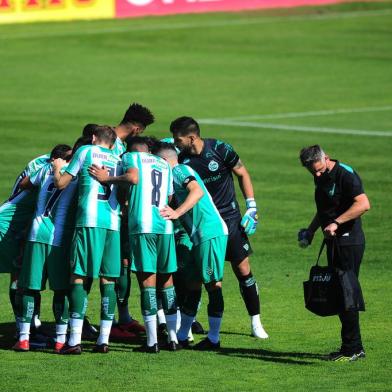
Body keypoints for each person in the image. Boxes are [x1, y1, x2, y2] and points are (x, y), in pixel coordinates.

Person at [170, 117, 268, 339]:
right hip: (204, 225)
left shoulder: (221, 149)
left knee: (243, 271)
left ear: (191, 137)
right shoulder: (181, 160)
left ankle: (256, 322)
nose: (176, 143)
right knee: (197, 277)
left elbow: (242, 173)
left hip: (230, 220)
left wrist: (251, 206)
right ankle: (190, 326)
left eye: (179, 139)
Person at [89, 136, 177, 353]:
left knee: (147, 282)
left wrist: (107, 178)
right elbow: (169, 195)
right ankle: (175, 339)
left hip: (143, 226)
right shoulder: (164, 164)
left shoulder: (130, 157)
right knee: (167, 282)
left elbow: (133, 178)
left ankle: (152, 342)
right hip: (165, 226)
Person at [53, 126, 122, 354]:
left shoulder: (85, 152)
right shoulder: (118, 158)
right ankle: (103, 340)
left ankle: (74, 341)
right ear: (112, 144)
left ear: (93, 138)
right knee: (108, 280)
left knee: (79, 276)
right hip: (113, 224)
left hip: (89, 221)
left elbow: (61, 184)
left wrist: (58, 169)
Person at [298, 145, 370, 362]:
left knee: (345, 294)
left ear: (326, 158)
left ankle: (354, 348)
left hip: (349, 243)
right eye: (313, 172)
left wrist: (337, 222)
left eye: (319, 169)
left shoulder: (345, 175)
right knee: (339, 293)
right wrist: (311, 231)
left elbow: (364, 204)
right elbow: (324, 210)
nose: (317, 175)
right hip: (334, 242)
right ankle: (349, 347)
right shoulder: (321, 175)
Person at [155, 142, 228, 350]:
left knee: (214, 285)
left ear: (163, 161)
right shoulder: (175, 175)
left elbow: (196, 192)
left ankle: (214, 339)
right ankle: (183, 334)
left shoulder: (179, 170)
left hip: (209, 232)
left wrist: (177, 213)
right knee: (194, 284)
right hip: (199, 235)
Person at [13, 144, 75, 353]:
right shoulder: (75, 173)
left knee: (30, 287)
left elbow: (23, 183)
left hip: (36, 235)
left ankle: (23, 339)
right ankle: (59, 340)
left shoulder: (44, 169)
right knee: (61, 290)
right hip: (59, 239)